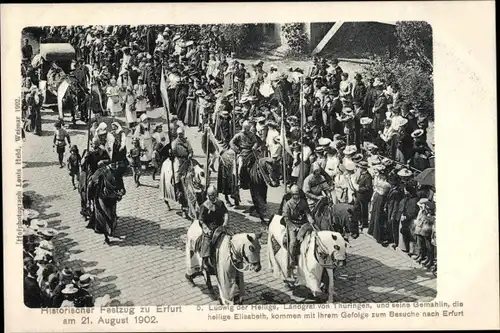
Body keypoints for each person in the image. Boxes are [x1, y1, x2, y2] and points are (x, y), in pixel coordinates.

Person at [194, 185, 229, 278]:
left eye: (213, 195)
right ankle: (205, 261)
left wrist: (225, 222)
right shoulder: (204, 206)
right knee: (207, 241)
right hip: (210, 228)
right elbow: (201, 220)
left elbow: (225, 213)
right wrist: (206, 229)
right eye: (210, 195)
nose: (212, 197)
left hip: (220, 226)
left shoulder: (220, 203)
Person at [282, 185, 315, 281]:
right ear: (292, 194)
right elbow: (286, 218)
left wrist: (310, 218)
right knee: (292, 242)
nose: (296, 195)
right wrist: (294, 227)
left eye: (297, 193)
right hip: (293, 225)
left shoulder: (303, 202)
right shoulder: (288, 204)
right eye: (294, 194)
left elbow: (307, 212)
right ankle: (291, 261)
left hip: (304, 224)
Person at [229, 120, 259, 188]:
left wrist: (254, 146)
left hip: (251, 152)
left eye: (248, 128)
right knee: (241, 166)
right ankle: (240, 179)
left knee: (257, 164)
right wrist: (236, 149)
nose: (247, 130)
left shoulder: (251, 134)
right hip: (242, 153)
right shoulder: (239, 135)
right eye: (245, 128)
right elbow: (231, 142)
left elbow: (255, 142)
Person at [171, 126, 194, 215]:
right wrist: (172, 153)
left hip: (187, 160)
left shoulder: (187, 141)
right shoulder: (174, 143)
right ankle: (177, 188)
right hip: (179, 161)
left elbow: (191, 150)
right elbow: (173, 152)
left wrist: (190, 154)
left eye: (182, 134)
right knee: (177, 175)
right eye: (179, 134)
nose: (180, 135)